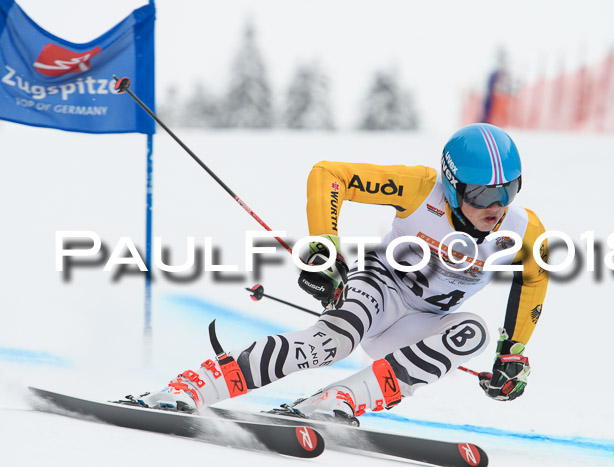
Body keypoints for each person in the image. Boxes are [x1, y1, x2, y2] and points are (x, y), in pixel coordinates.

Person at [137, 123, 549, 424]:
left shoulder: (522, 229)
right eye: (480, 194)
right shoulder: (422, 189)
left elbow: (534, 278)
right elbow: (329, 175)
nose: (494, 206)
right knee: (333, 342)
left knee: (472, 332)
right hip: (380, 287)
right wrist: (324, 247)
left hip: (423, 322)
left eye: (508, 190)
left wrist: (513, 351)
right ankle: (194, 386)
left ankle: (339, 399)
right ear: (453, 186)